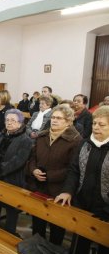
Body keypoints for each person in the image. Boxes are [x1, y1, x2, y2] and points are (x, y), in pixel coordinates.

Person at [55, 106, 109, 254]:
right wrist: (68, 191)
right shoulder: (85, 144)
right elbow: (74, 170)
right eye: (94, 123)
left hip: (105, 209)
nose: (96, 127)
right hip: (83, 203)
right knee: (79, 247)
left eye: (102, 125)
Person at [27, 105, 81, 245]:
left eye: (59, 118)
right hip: (39, 186)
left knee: (56, 228)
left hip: (58, 190)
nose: (54, 120)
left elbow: (73, 168)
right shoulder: (42, 135)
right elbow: (32, 157)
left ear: (69, 121)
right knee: (37, 225)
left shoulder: (75, 140)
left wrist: (49, 176)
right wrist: (33, 170)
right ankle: (35, 251)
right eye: (53, 117)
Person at [0, 109, 32, 234]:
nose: (9, 123)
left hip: (13, 180)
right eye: (7, 120)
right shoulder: (1, 135)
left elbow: (18, 161)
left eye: (13, 120)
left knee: (11, 211)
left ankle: (8, 238)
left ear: (20, 123)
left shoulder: (25, 140)